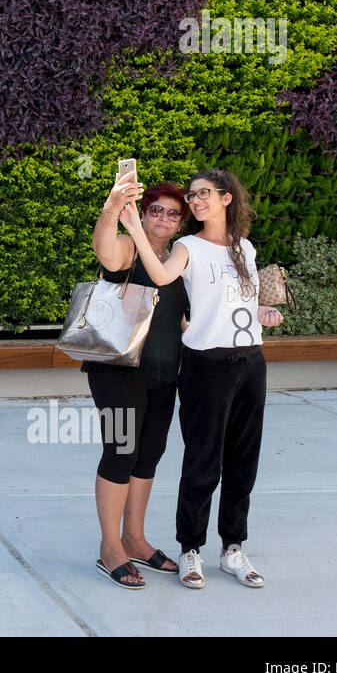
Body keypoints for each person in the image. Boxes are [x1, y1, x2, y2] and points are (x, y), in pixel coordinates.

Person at [119, 168, 283, 589]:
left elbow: (238, 304)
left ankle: (233, 549)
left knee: (243, 462)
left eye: (203, 193)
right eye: (192, 196)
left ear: (227, 198)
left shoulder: (244, 247)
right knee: (202, 461)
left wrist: (262, 312)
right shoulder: (187, 246)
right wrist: (136, 227)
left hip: (250, 361)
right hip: (205, 366)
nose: (194, 201)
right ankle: (190, 548)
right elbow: (160, 276)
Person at [86, 171, 189, 589]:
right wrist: (113, 209)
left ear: (181, 223)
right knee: (121, 453)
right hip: (119, 370)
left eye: (173, 214)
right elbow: (105, 251)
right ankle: (110, 546)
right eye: (156, 211)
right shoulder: (129, 247)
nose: (163, 218)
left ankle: (135, 538)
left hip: (165, 372)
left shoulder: (182, 260)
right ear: (143, 214)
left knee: (149, 454)